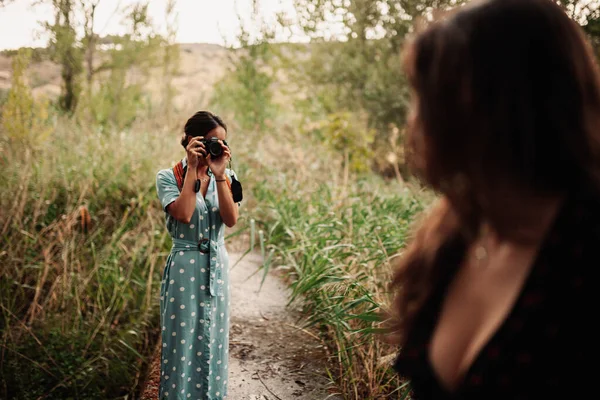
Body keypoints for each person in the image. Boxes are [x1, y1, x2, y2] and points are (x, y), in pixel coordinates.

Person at [389, 0, 598, 398]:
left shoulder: (586, 252)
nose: (414, 119)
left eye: (428, 96)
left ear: (490, 106)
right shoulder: (456, 233)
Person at [155, 111, 240, 400]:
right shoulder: (169, 176)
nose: (215, 148)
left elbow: (230, 219)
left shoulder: (227, 176)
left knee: (214, 338)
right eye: (209, 141)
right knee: (182, 341)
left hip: (216, 266)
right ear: (191, 140)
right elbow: (184, 214)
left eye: (221, 142)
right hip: (184, 268)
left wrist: (219, 176)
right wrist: (193, 168)